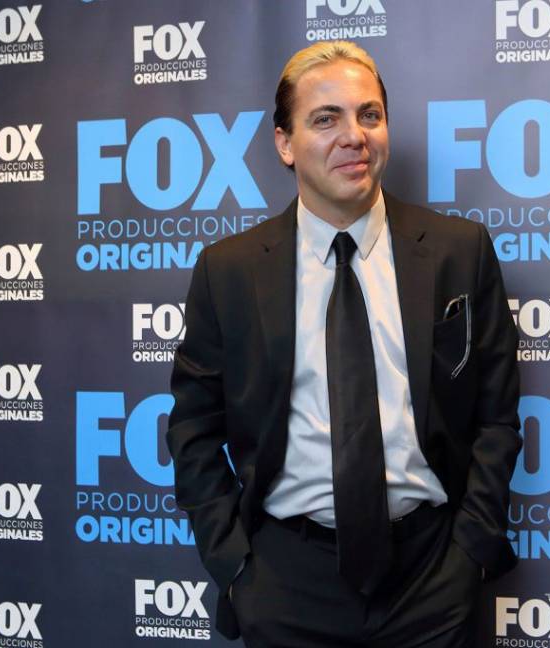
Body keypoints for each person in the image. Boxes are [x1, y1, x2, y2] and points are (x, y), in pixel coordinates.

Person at [167, 41, 521, 647]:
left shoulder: (459, 252)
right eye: (325, 119)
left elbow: (496, 415)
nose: (353, 136)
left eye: (369, 115)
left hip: (433, 576)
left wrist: (470, 551)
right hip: (285, 583)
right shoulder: (228, 271)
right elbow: (193, 428)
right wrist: (237, 568)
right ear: (285, 143)